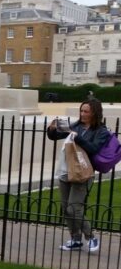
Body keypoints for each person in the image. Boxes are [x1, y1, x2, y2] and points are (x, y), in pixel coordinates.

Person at [46, 98, 111, 252]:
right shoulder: (77, 125)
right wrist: (52, 129)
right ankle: (75, 239)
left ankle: (91, 237)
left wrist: (77, 136)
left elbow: (94, 148)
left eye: (86, 111)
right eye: (81, 111)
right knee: (65, 209)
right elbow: (56, 136)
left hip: (83, 174)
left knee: (74, 208)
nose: (82, 114)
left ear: (94, 113)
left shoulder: (101, 131)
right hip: (65, 171)